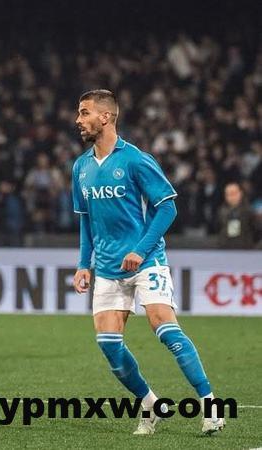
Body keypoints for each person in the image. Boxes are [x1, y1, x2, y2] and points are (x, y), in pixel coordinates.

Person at [71, 90, 223, 435]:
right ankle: (151, 404)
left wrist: (140, 250)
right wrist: (83, 264)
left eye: (84, 112)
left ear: (105, 117)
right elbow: (85, 220)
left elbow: (167, 207)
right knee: (108, 345)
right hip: (107, 267)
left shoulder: (136, 160)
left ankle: (210, 406)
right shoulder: (80, 167)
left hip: (146, 261)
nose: (78, 120)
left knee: (164, 327)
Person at [217, 182, 256, 249]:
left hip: (245, 249)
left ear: (240, 193)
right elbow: (217, 228)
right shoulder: (221, 211)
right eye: (228, 194)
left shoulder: (249, 211)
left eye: (234, 193)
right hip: (225, 248)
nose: (231, 197)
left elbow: (256, 230)